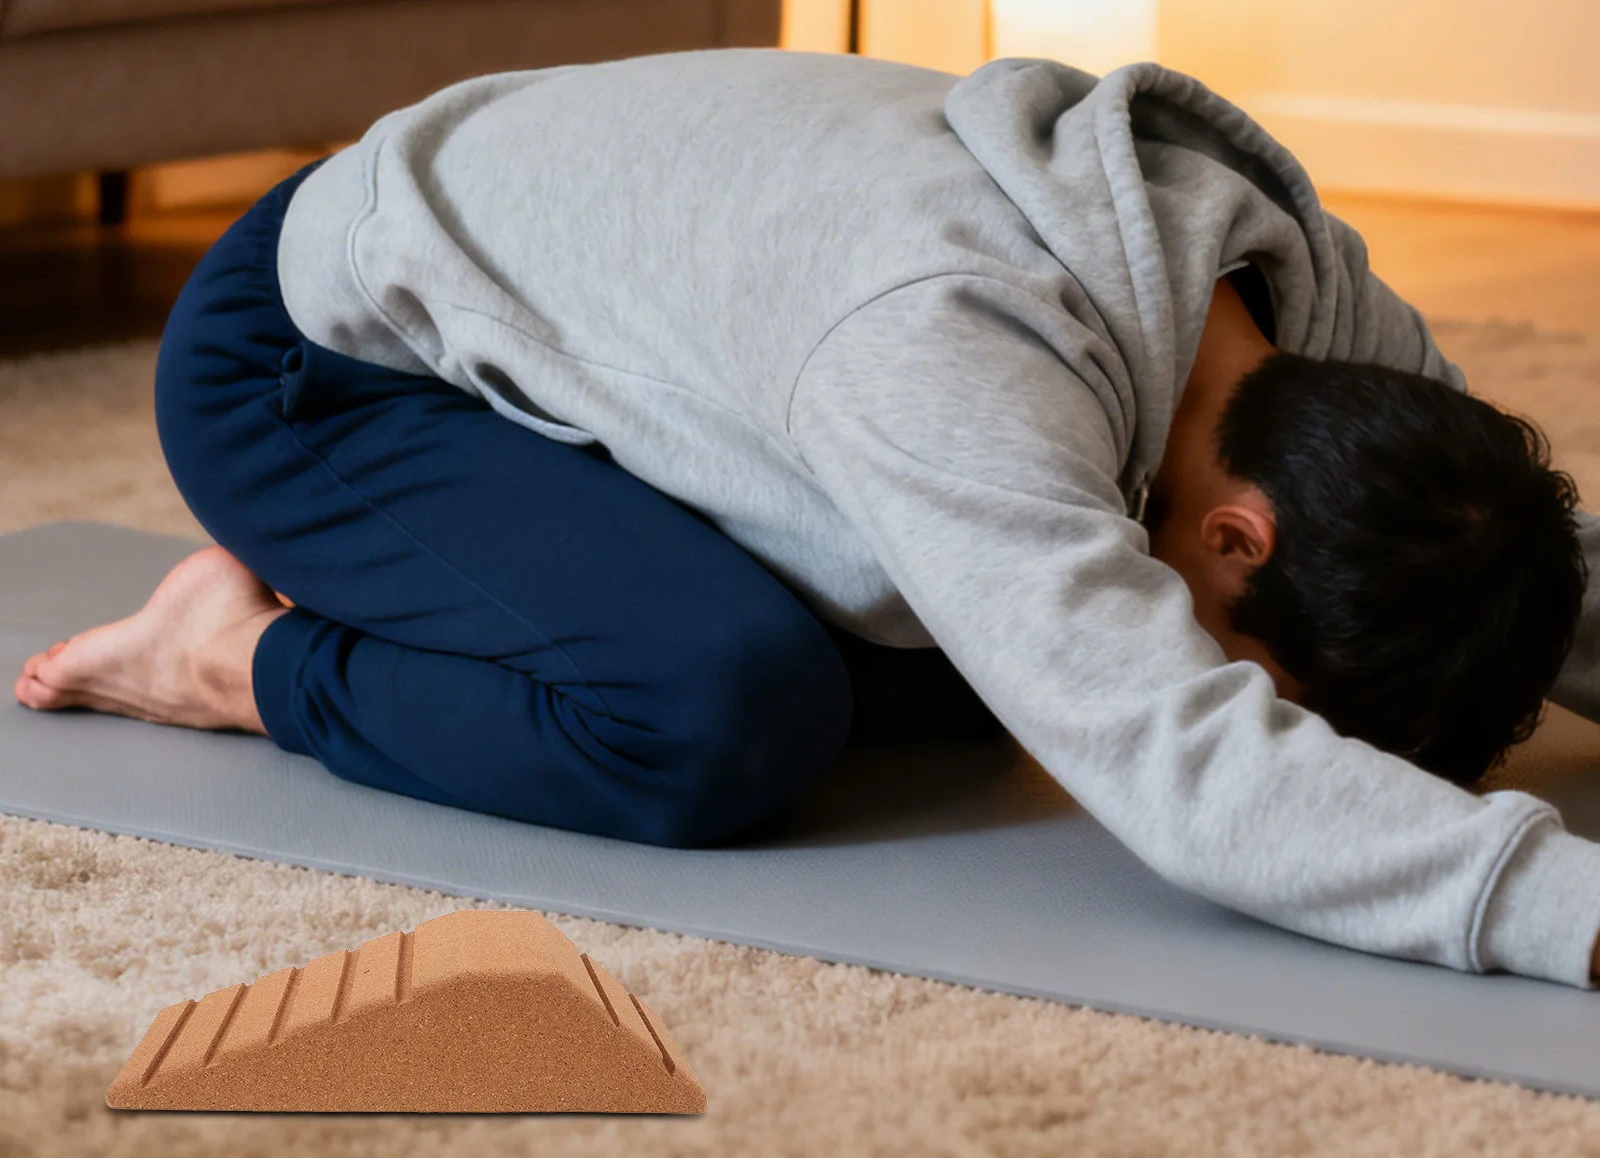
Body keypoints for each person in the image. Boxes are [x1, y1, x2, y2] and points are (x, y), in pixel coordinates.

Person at [12, 48, 1600, 988]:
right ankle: (228, 659)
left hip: (614, 317)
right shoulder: (956, 353)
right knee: (721, 716)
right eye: (1276, 683)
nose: (1262, 713)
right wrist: (1564, 911)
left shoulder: (1303, 311)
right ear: (1235, 538)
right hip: (322, 355)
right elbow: (1183, 767)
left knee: (940, 669)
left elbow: (1520, 544)